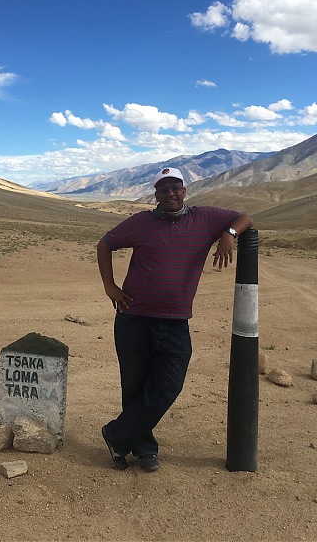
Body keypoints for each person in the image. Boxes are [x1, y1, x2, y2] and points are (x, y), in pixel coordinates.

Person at [97, 167, 254, 472]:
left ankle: (116, 435)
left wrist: (229, 233)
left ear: (184, 190)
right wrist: (109, 286)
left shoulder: (205, 218)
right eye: (163, 189)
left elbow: (245, 218)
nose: (170, 193)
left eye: (175, 188)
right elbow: (105, 244)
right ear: (155, 194)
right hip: (133, 319)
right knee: (134, 387)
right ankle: (144, 450)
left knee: (169, 385)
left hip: (175, 322)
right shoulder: (141, 222)